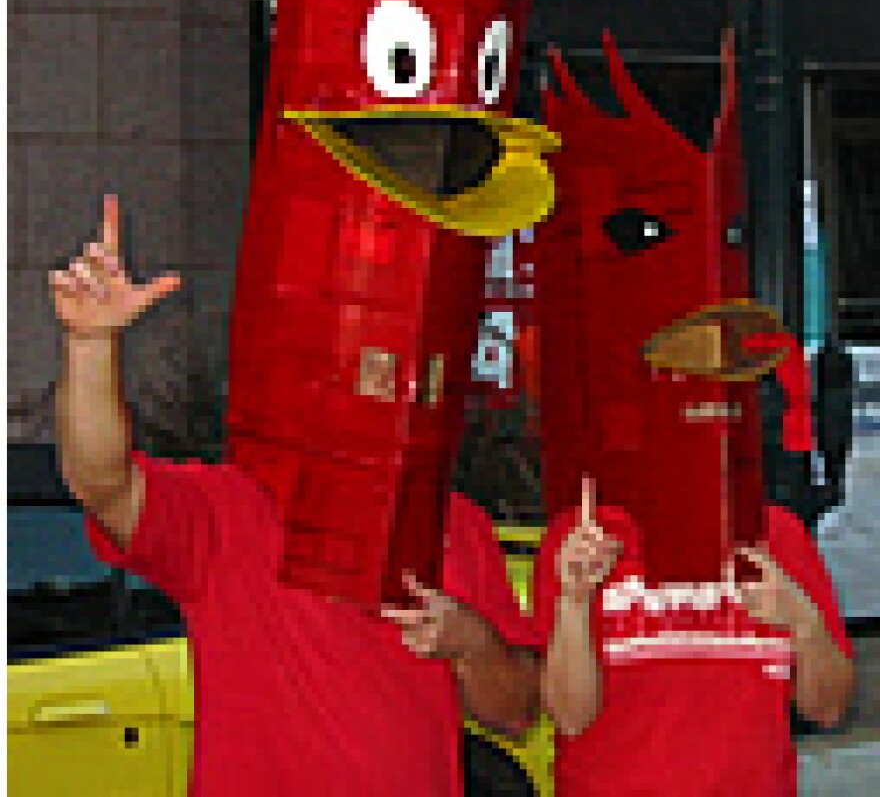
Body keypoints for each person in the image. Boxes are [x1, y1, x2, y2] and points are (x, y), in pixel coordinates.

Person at [51, 195, 539, 797]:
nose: (396, 385)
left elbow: (514, 711)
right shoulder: (233, 511)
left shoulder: (455, 524)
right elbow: (100, 482)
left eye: (413, 366)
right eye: (374, 364)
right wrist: (90, 346)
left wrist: (471, 640)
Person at [534, 476, 854, 796]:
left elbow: (827, 709)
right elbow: (570, 717)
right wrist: (574, 599)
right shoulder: (582, 541)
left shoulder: (778, 535)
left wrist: (804, 625)